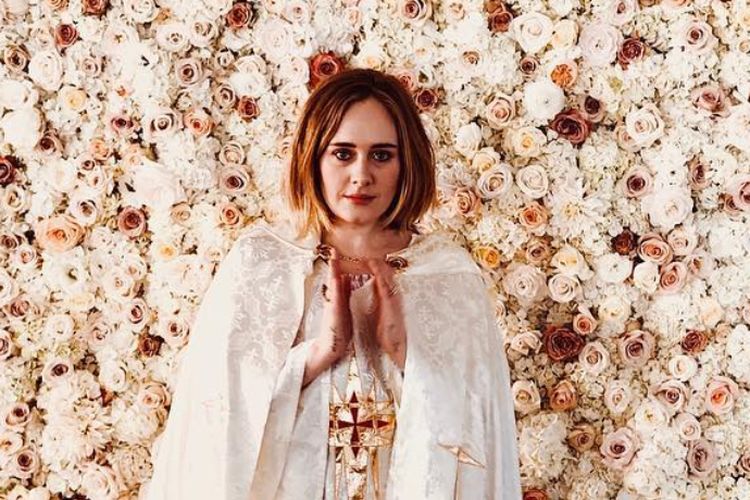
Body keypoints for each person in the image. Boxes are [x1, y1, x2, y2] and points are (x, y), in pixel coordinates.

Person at [144, 68, 522, 499]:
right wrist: (318, 355)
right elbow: (216, 426)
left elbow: (479, 431)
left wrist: (406, 355)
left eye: (382, 155)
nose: (361, 175)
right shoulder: (261, 264)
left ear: (407, 162)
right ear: (313, 156)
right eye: (343, 153)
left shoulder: (448, 277)